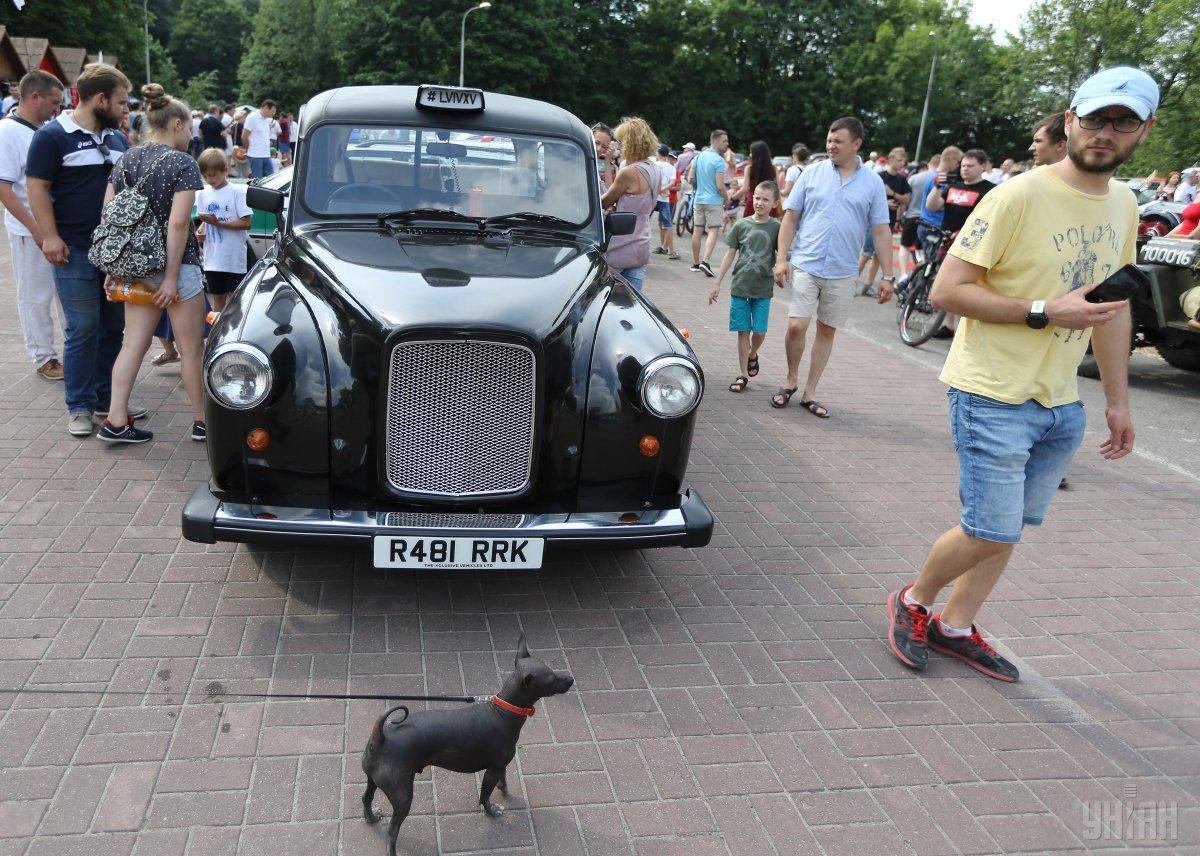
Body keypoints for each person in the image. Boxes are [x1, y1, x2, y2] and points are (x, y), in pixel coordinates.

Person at [886, 66, 1158, 683]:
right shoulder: (1017, 195)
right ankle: (914, 600)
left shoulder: (1124, 202)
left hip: (1061, 401)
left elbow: (1112, 310)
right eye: (1094, 119)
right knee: (991, 525)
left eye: (1123, 122)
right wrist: (1044, 311)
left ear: (1145, 130)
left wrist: (1118, 400)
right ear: (1071, 121)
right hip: (992, 389)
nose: (1105, 133)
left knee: (1009, 528)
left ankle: (957, 625)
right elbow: (949, 291)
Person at [26, 62, 137, 438]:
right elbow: (36, 187)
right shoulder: (52, 136)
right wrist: (49, 236)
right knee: (83, 328)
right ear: (100, 98)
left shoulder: (118, 140)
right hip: (72, 250)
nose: (126, 109)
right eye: (121, 102)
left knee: (112, 328)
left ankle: (108, 402)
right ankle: (79, 405)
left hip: (114, 254)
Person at [96, 84, 207, 445]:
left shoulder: (125, 159)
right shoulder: (183, 163)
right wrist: (172, 277)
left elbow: (109, 215)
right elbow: (178, 223)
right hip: (178, 267)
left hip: (136, 269)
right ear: (176, 124)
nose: (191, 134)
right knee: (191, 349)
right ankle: (203, 421)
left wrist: (114, 266)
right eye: (190, 127)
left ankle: (115, 420)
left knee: (133, 344)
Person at [771, 117, 893, 418]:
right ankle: (790, 380)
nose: (831, 145)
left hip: (843, 271)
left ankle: (810, 392)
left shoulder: (873, 183)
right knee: (796, 325)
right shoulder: (812, 173)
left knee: (826, 330)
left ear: (856, 144)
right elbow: (790, 218)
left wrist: (888, 276)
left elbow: (880, 230)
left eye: (838, 141)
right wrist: (781, 258)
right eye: (829, 140)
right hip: (806, 263)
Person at [0, 71, 66, 381]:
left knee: (64, 295)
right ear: (34, 97)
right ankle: (43, 356)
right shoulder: (8, 132)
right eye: (53, 102)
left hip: (55, 227)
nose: (57, 109)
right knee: (35, 295)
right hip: (29, 230)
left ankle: (73, 354)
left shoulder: (43, 130)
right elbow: (4, 188)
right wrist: (37, 230)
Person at [708, 181, 782, 392]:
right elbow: (730, 253)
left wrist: (782, 270)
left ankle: (753, 354)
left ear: (774, 203)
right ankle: (742, 374)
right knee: (743, 331)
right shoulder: (741, 225)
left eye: (765, 199)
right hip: (740, 285)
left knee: (759, 332)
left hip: (763, 288)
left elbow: (782, 255)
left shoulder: (776, 227)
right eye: (757, 198)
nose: (759, 202)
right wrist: (717, 283)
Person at [924, 148, 996, 335]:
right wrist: (937, 187)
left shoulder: (990, 190)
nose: (965, 169)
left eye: (971, 165)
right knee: (944, 281)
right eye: (963, 165)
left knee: (963, 285)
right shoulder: (952, 185)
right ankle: (947, 325)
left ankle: (959, 328)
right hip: (946, 240)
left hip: (971, 244)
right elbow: (932, 207)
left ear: (982, 166)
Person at [601, 116, 659, 292]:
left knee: (606, 297)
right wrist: (608, 164)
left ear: (629, 143)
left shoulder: (629, 172)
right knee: (633, 301)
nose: (617, 146)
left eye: (620, 141)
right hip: (641, 242)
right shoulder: (654, 168)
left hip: (620, 245)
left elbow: (606, 201)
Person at [195, 147, 252, 311]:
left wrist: (218, 223)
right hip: (212, 259)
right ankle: (216, 336)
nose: (209, 179)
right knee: (217, 303)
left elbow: (246, 223)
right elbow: (205, 220)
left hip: (233, 259)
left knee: (235, 303)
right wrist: (202, 229)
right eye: (205, 176)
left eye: (212, 175)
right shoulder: (204, 195)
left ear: (225, 170)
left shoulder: (236, 193)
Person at [858, 146, 910, 294]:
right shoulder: (879, 176)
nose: (902, 163)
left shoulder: (901, 179)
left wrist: (892, 194)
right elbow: (866, 197)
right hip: (874, 221)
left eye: (903, 161)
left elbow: (906, 198)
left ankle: (867, 286)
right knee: (866, 253)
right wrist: (884, 202)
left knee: (878, 256)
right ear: (891, 159)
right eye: (899, 160)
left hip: (890, 221)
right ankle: (851, 283)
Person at [687, 130, 731, 276]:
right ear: (716, 141)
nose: (727, 144)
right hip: (714, 201)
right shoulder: (719, 161)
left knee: (697, 230)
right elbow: (720, 185)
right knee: (713, 230)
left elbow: (690, 178)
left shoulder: (699, 157)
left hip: (698, 200)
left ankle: (695, 262)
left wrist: (699, 188)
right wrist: (727, 198)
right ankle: (705, 261)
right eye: (724, 141)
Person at [900, 153, 939, 271]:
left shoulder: (915, 178)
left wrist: (900, 216)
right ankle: (921, 276)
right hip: (930, 220)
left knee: (905, 246)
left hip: (912, 215)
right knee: (924, 250)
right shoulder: (940, 179)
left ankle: (903, 275)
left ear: (928, 164)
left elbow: (905, 199)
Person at [651, 144, 678, 259]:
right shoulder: (671, 167)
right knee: (668, 225)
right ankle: (671, 252)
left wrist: (658, 189)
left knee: (643, 221)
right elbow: (673, 182)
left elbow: (650, 180)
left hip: (653, 197)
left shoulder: (653, 165)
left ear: (658, 153)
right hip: (664, 199)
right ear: (667, 155)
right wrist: (664, 189)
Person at [736, 140, 774, 219]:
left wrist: (732, 197)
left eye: (751, 152)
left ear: (756, 154)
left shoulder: (749, 168)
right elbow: (777, 188)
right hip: (768, 202)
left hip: (753, 201)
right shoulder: (773, 168)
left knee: (748, 227)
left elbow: (744, 188)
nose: (750, 154)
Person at [241, 98, 277, 179]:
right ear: (266, 107)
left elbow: (261, 134)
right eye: (272, 111)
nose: (273, 114)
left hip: (266, 154)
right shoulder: (252, 117)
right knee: (258, 181)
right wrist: (247, 149)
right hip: (255, 155)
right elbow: (244, 136)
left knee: (271, 179)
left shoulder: (266, 120)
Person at [592, 122, 616, 191]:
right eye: (596, 143)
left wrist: (607, 161)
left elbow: (608, 191)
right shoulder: (577, 160)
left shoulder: (593, 165)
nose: (599, 149)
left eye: (604, 147)